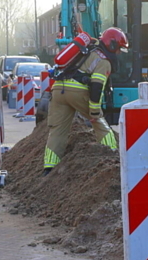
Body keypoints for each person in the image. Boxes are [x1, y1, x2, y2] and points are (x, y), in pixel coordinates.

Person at [41, 28, 125, 176]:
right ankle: (112, 159)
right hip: (77, 91)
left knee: (57, 130)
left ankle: (49, 168)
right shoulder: (104, 60)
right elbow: (97, 85)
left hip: (58, 88)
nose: (118, 53)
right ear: (112, 45)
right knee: (100, 124)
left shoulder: (87, 50)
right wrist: (94, 110)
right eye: (119, 49)